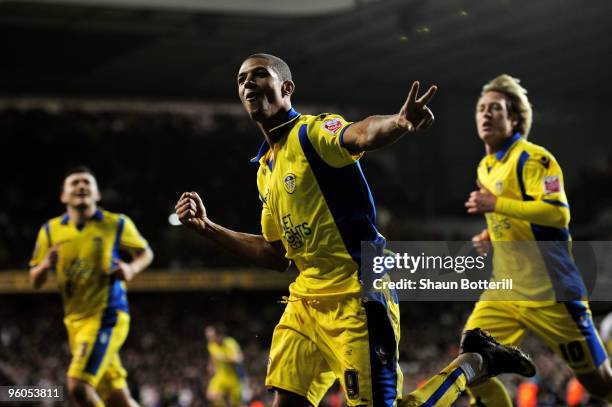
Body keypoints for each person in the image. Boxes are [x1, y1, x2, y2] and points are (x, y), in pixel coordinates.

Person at [176, 53, 535, 407]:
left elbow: (361, 133)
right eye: (241, 79)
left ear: (286, 87)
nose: (247, 82)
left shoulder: (312, 133)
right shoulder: (265, 169)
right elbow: (275, 255)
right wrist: (208, 228)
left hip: (358, 293)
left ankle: (475, 362)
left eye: (258, 74)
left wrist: (398, 122)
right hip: (306, 300)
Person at [464, 74, 612, 405]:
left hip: (552, 293)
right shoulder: (485, 166)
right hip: (506, 290)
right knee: (469, 363)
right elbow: (513, 217)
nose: (486, 114)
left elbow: (557, 214)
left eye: (496, 109)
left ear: (514, 118)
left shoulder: (534, 159)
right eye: (481, 108)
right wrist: (491, 234)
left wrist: (495, 204)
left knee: (598, 384)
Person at [29, 166, 154, 407]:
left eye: (87, 182)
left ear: (97, 194)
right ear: (63, 196)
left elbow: (146, 253)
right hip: (75, 322)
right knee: (118, 399)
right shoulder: (50, 230)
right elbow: (34, 281)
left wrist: (131, 269)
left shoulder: (116, 223)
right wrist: (44, 265)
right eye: (74, 183)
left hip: (107, 315)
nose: (81, 186)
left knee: (78, 385)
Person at [205, 326, 245, 407]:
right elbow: (213, 357)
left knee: (236, 404)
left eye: (211, 336)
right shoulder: (211, 345)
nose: (209, 338)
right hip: (221, 375)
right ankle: (225, 398)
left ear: (219, 335)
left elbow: (239, 358)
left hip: (233, 377)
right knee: (210, 396)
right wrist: (211, 366)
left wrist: (226, 358)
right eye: (208, 336)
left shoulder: (230, 342)